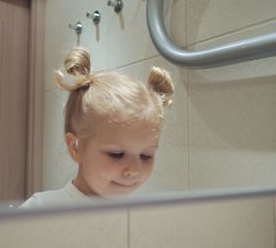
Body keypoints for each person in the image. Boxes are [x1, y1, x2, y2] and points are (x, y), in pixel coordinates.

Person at [20, 47, 174, 208]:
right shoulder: (41, 210)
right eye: (116, 154)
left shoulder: (141, 215)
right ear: (76, 147)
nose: (134, 170)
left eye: (146, 156)